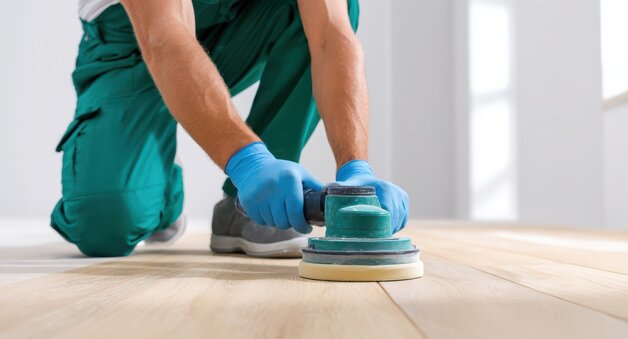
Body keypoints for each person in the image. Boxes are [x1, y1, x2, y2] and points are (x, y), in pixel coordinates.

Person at [51, 0, 409, 257]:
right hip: (129, 40)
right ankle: (162, 192)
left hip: (240, 21)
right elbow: (165, 36)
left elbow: (330, 35)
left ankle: (250, 207)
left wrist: (355, 166)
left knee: (330, 8)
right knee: (106, 225)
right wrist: (248, 162)